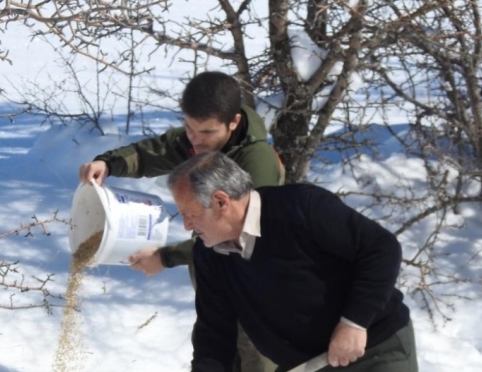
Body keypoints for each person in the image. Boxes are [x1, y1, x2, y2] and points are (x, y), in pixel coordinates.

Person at [78, 71, 283, 372]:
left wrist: (166, 256)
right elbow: (152, 153)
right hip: (216, 286)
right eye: (189, 128)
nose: (195, 140)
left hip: (257, 289)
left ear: (234, 123)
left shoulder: (256, 161)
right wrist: (108, 163)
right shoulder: (201, 140)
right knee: (214, 353)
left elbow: (241, 235)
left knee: (254, 360)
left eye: (206, 132)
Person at [166, 151, 418, 372]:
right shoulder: (208, 253)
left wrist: (354, 323)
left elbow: (381, 248)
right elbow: (214, 334)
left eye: (191, 214)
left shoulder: (301, 207)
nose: (187, 225)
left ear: (221, 202)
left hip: (374, 348)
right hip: (304, 365)